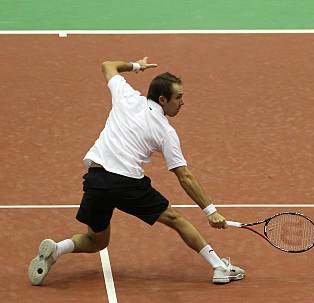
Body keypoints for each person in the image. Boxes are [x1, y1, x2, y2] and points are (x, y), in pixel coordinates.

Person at [28, 57, 244, 286]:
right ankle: (219, 267)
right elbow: (185, 175)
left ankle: (56, 250)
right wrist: (211, 212)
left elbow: (107, 65)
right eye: (178, 97)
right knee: (177, 219)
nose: (182, 103)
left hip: (96, 179)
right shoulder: (165, 131)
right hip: (126, 183)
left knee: (97, 241)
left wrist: (136, 67)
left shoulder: (126, 96)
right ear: (163, 99)